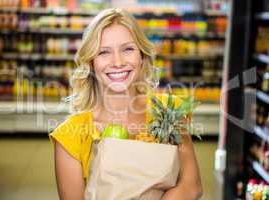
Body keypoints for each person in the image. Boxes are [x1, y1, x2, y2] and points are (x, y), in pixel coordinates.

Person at [50, 8, 202, 200]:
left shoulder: (168, 111)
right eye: (104, 52)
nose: (118, 62)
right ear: (90, 63)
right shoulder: (71, 136)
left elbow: (192, 186)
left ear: (142, 56)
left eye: (128, 49)